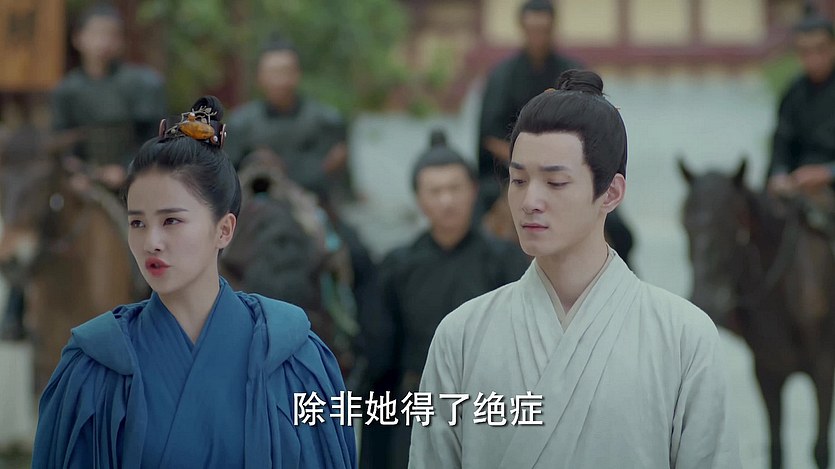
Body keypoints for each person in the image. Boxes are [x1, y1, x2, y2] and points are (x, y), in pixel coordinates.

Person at [408, 71, 740, 468]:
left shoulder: (684, 336)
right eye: (518, 179)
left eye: (555, 182)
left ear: (611, 192)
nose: (529, 201)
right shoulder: (461, 335)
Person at [32, 96, 357, 469]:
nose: (151, 241)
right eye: (137, 222)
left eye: (171, 220)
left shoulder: (294, 358)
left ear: (224, 229)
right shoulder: (96, 363)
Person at [373, 130, 529, 469]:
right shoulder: (397, 266)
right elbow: (381, 354)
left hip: (491, 406)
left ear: (473, 191)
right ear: (418, 199)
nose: (446, 200)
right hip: (417, 404)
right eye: (435, 191)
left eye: (455, 188)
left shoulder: (507, 261)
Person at [476, 0, 634, 264]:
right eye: (532, 30)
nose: (537, 37)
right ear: (522, 29)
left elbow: (594, 126)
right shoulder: (502, 75)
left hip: (571, 166)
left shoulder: (572, 69)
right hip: (511, 170)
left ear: (553, 28)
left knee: (620, 230)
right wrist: (528, 158)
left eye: (543, 30)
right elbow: (489, 135)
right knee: (474, 222)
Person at [51, 2, 166, 188]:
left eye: (111, 35)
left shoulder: (142, 84)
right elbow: (61, 141)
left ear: (121, 41)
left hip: (134, 179)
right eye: (96, 33)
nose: (103, 42)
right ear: (78, 38)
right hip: (83, 181)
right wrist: (76, 171)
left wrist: (127, 167)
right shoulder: (66, 90)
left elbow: (153, 138)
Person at [225, 39, 350, 201]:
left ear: (297, 74)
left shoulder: (326, 121)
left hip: (312, 204)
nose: (280, 80)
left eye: (285, 71)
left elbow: (331, 177)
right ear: (260, 77)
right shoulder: (240, 124)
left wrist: (281, 168)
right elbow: (228, 179)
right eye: (273, 72)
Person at [767, 9, 835, 196]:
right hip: (799, 185)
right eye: (805, 52)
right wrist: (779, 173)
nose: (813, 58)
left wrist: (828, 172)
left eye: (820, 49)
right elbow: (782, 141)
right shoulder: (794, 92)